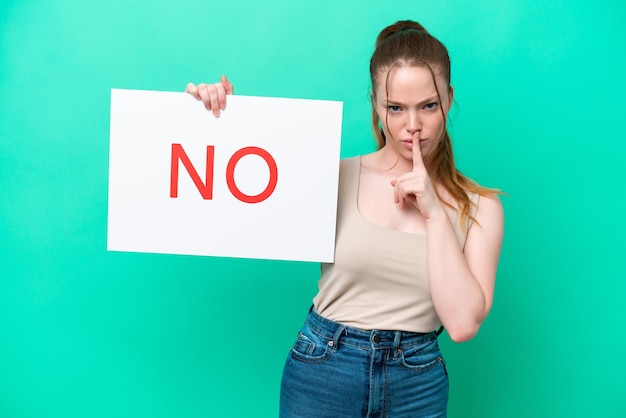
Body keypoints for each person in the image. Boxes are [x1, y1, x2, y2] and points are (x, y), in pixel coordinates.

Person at [186, 19, 503, 418]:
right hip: (324, 371)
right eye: (395, 107)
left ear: (449, 99)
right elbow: (230, 195)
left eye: (429, 105)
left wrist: (435, 213)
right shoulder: (331, 177)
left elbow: (461, 325)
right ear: (375, 103)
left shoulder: (480, 208)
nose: (413, 126)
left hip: (417, 382)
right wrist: (214, 119)